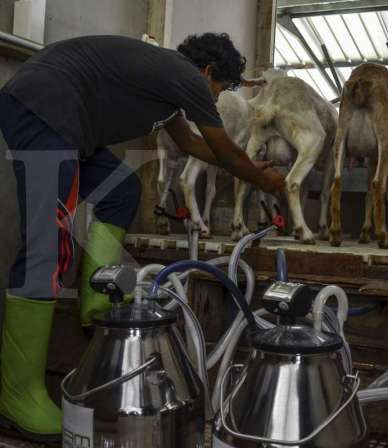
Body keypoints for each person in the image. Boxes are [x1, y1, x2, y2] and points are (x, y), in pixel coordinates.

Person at [0, 33, 285, 442]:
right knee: (48, 244)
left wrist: (249, 165)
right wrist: (263, 179)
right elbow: (225, 152)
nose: (217, 96)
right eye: (220, 87)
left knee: (121, 193)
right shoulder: (183, 75)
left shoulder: (165, 84)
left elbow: (190, 143)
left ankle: (98, 299)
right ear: (206, 72)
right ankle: (17, 394)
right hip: (42, 109)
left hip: (60, 118)